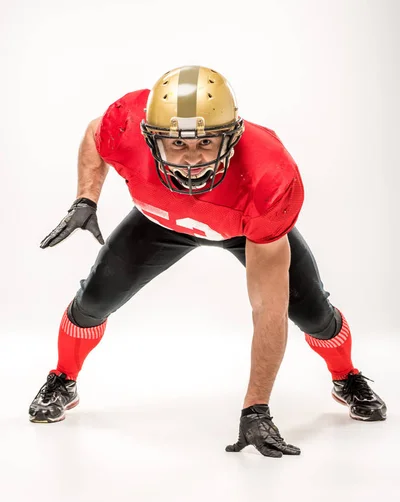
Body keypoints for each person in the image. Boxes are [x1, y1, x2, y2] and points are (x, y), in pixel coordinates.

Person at [30, 65, 386, 458]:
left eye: (206, 143)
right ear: (149, 139)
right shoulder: (125, 125)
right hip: (160, 220)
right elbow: (95, 135)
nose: (192, 160)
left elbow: (268, 310)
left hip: (245, 227)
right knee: (94, 300)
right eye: (177, 145)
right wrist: (86, 198)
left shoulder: (268, 175)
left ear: (232, 137)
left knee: (314, 315)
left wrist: (256, 408)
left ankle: (346, 376)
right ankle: (63, 377)